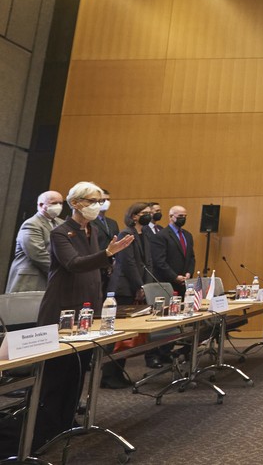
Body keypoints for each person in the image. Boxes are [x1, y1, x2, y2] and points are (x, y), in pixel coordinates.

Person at [33, 182, 133, 448]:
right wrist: (108, 254)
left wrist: (108, 260)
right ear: (76, 203)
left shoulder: (94, 230)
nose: (98, 205)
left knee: (78, 369)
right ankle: (45, 427)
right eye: (92, 200)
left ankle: (66, 420)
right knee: (57, 372)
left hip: (88, 306)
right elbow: (74, 264)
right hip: (62, 306)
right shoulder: (60, 232)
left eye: (100, 200)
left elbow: (95, 264)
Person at [102, 203, 156, 386]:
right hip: (123, 287)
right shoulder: (126, 234)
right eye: (145, 213)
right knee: (117, 334)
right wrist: (139, 286)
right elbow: (128, 263)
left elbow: (148, 262)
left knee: (126, 334)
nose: (149, 216)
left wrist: (145, 287)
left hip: (137, 286)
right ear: (134, 216)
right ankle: (108, 376)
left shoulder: (145, 235)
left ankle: (117, 373)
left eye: (150, 213)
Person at [5, 191, 64, 293]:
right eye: (54, 203)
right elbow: (38, 254)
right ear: (41, 205)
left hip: (50, 279)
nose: (58, 206)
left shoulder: (61, 223)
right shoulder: (31, 224)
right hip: (31, 280)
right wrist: (61, 271)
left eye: (61, 203)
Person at [152, 206, 194, 295]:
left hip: (185, 283)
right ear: (171, 216)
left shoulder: (188, 235)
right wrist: (175, 277)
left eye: (185, 216)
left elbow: (191, 257)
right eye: (180, 216)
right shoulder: (161, 235)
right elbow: (159, 261)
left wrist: (189, 273)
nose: (183, 218)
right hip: (168, 283)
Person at [93, 188, 120, 297]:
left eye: (108, 200)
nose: (106, 203)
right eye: (103, 200)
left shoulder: (112, 222)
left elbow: (116, 242)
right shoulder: (90, 221)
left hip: (111, 267)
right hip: (96, 265)